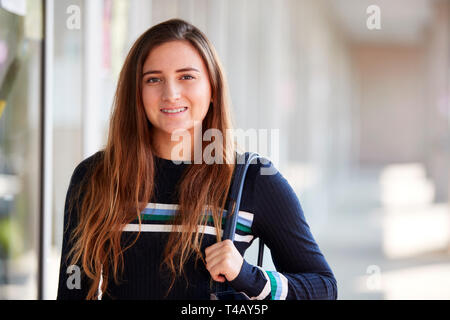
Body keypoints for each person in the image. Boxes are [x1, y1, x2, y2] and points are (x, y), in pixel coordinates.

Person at [57, 18, 337, 300]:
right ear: (136, 93)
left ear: (213, 88)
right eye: (153, 79)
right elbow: (72, 290)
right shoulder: (95, 177)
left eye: (186, 77)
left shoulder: (253, 179)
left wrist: (247, 276)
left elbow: (324, 287)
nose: (171, 94)